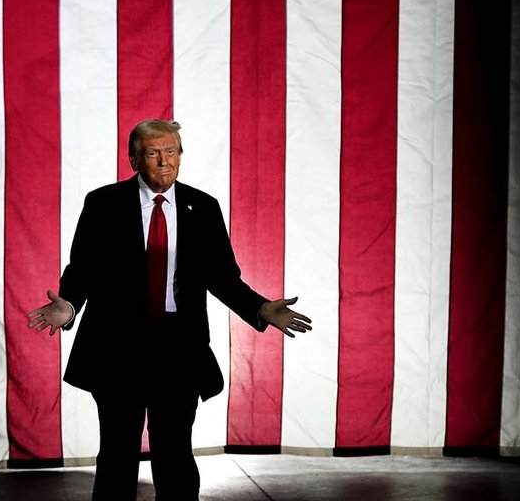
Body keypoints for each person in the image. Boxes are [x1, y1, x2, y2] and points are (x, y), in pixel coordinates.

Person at [27, 119, 312, 500]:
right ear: (133, 159)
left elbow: (223, 278)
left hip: (179, 349)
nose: (164, 161)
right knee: (117, 453)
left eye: (172, 152)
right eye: (153, 153)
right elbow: (83, 269)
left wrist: (261, 309)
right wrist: (70, 305)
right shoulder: (103, 203)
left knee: (175, 452)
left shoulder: (204, 207)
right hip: (116, 348)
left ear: (181, 156)